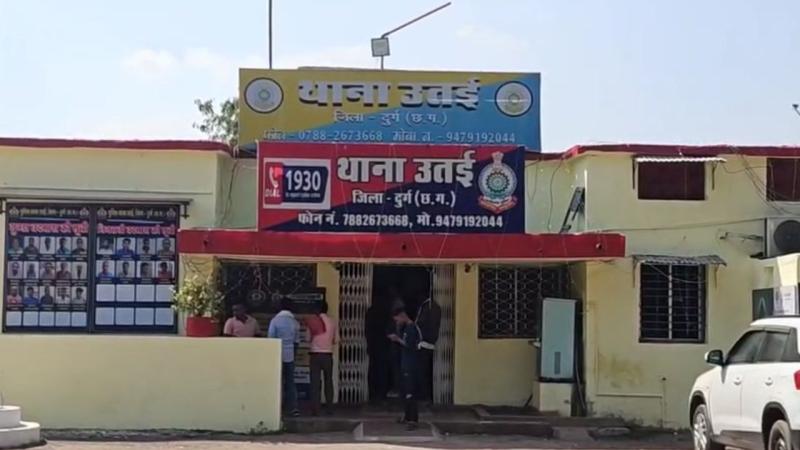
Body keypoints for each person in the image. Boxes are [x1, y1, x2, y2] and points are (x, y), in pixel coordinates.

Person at [268, 297, 301, 417]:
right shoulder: (294, 322)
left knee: (277, 381)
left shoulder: (275, 321)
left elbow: (271, 339)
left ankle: (277, 407)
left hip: (277, 355)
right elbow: (296, 342)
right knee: (290, 382)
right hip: (290, 355)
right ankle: (293, 407)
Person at [390, 306, 422, 430]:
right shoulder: (406, 328)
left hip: (411, 365)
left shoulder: (411, 329)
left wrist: (397, 339)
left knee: (410, 393)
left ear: (403, 316)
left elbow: (410, 345)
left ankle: (413, 420)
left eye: (397, 319)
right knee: (405, 392)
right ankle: (407, 416)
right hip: (406, 364)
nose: (397, 322)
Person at [307, 301, 337, 416]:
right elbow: (336, 340)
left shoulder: (313, 321)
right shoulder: (332, 322)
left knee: (315, 382)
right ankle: (330, 408)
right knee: (328, 381)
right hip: (328, 355)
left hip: (315, 355)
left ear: (317, 310)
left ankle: (316, 409)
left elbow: (307, 338)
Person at [415, 293, 442, 404]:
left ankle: (424, 396)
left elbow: (421, 323)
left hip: (425, 343)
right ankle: (425, 395)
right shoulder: (434, 306)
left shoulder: (428, 307)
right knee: (425, 371)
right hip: (429, 343)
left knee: (422, 372)